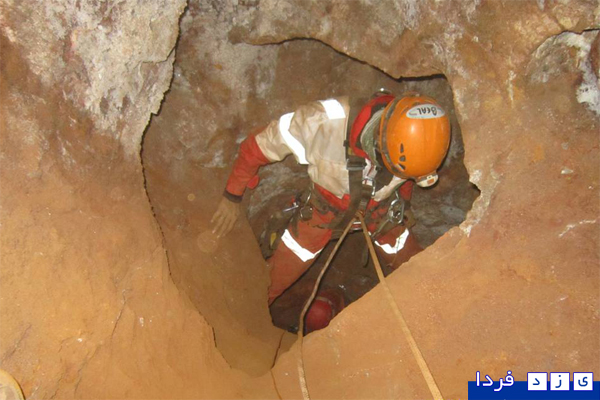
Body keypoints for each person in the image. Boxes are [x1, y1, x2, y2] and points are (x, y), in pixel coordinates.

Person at [212, 91, 450, 306]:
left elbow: (406, 182)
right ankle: (250, 318)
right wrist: (232, 195)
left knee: (422, 276)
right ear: (381, 143)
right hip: (323, 212)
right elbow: (257, 147)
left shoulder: (421, 145)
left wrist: (403, 206)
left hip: (381, 214)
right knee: (271, 283)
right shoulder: (321, 124)